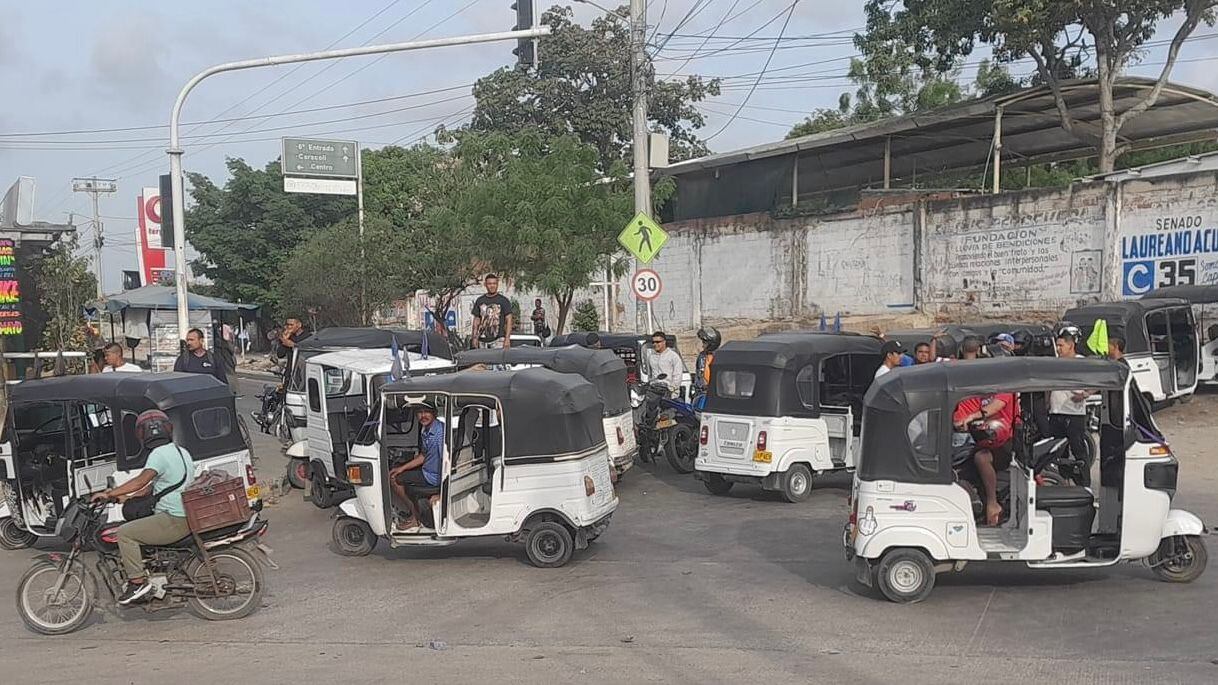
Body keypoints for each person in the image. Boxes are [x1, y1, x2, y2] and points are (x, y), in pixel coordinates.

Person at [91, 410, 193, 604]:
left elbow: (140, 481)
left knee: (125, 533)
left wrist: (109, 493)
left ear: (141, 433)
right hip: (182, 515)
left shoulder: (158, 454)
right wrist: (124, 498)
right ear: (168, 429)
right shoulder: (181, 451)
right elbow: (152, 488)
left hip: (174, 519)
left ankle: (137, 582)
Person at [954, 393, 1016, 526]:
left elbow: (995, 406)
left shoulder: (1005, 389)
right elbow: (968, 407)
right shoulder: (983, 392)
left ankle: (993, 503)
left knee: (981, 457)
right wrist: (960, 420)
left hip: (1005, 440)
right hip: (986, 439)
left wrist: (972, 416)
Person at [1042, 327, 1091, 487]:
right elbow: (1049, 384)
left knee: (1078, 450)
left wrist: (1085, 394)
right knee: (1059, 451)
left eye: (1061, 345)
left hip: (1074, 414)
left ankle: (1084, 484)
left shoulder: (1081, 362)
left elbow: (1097, 382)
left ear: (1071, 346)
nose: (1058, 349)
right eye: (1057, 345)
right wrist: (1047, 401)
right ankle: (1064, 483)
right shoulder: (1055, 363)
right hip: (1056, 413)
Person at [388, 402, 443, 531]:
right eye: (419, 412)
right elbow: (423, 455)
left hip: (433, 477)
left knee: (394, 479)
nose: (423, 416)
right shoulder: (426, 430)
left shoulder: (439, 434)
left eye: (426, 412)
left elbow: (446, 460)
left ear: (434, 413)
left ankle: (415, 517)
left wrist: (443, 492)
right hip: (427, 471)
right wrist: (401, 468)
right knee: (397, 471)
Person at [471, 274, 513, 349]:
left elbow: (509, 320)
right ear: (485, 285)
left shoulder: (503, 301)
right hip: (482, 340)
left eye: (494, 283)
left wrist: (507, 338)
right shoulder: (480, 300)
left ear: (497, 285)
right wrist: (474, 337)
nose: (492, 286)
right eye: (489, 284)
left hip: (498, 340)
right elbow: (476, 320)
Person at [694, 326, 721, 393]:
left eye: (704, 343)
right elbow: (698, 374)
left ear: (712, 344)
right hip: (702, 392)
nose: (702, 345)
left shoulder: (720, 356)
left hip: (715, 393)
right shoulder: (701, 356)